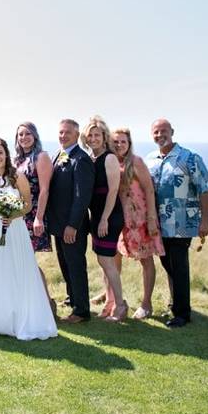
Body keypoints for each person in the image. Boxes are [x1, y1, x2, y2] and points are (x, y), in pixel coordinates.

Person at [0, 138, 58, 340]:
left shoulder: (17, 176)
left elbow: (27, 204)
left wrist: (13, 215)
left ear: (6, 154)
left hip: (15, 229)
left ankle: (21, 318)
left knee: (17, 270)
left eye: (0, 153)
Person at [145, 118, 208, 328]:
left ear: (172, 132)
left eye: (163, 131)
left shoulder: (189, 158)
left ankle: (182, 314)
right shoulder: (150, 159)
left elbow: (205, 188)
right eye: (156, 132)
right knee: (169, 265)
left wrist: (205, 221)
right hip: (158, 225)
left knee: (178, 266)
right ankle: (176, 304)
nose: (160, 135)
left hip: (181, 224)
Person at [112, 127, 165, 320]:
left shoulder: (136, 162)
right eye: (115, 142)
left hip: (139, 218)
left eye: (123, 142)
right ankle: (111, 296)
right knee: (113, 257)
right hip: (119, 219)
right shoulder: (110, 162)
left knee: (145, 259)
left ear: (129, 143)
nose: (119, 145)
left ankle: (146, 303)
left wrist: (151, 218)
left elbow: (149, 190)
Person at [46, 118, 94, 324]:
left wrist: (73, 225)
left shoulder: (81, 159)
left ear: (76, 135)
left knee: (75, 265)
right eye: (60, 132)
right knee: (64, 263)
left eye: (67, 133)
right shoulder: (59, 154)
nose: (63, 136)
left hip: (72, 225)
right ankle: (72, 297)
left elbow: (81, 196)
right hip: (58, 224)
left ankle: (82, 311)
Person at [80, 116, 127, 322]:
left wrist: (104, 219)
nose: (93, 138)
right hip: (98, 215)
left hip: (109, 215)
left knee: (107, 260)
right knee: (102, 260)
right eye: (89, 135)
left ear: (104, 136)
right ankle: (111, 303)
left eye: (96, 135)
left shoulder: (109, 158)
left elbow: (113, 190)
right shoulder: (92, 158)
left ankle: (120, 306)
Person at [12, 122, 56, 309]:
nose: (24, 137)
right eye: (20, 134)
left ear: (35, 136)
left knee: (27, 261)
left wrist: (39, 217)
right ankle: (29, 301)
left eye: (28, 133)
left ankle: (47, 303)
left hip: (34, 215)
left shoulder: (41, 157)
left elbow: (45, 190)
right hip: (18, 216)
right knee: (20, 260)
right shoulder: (17, 160)